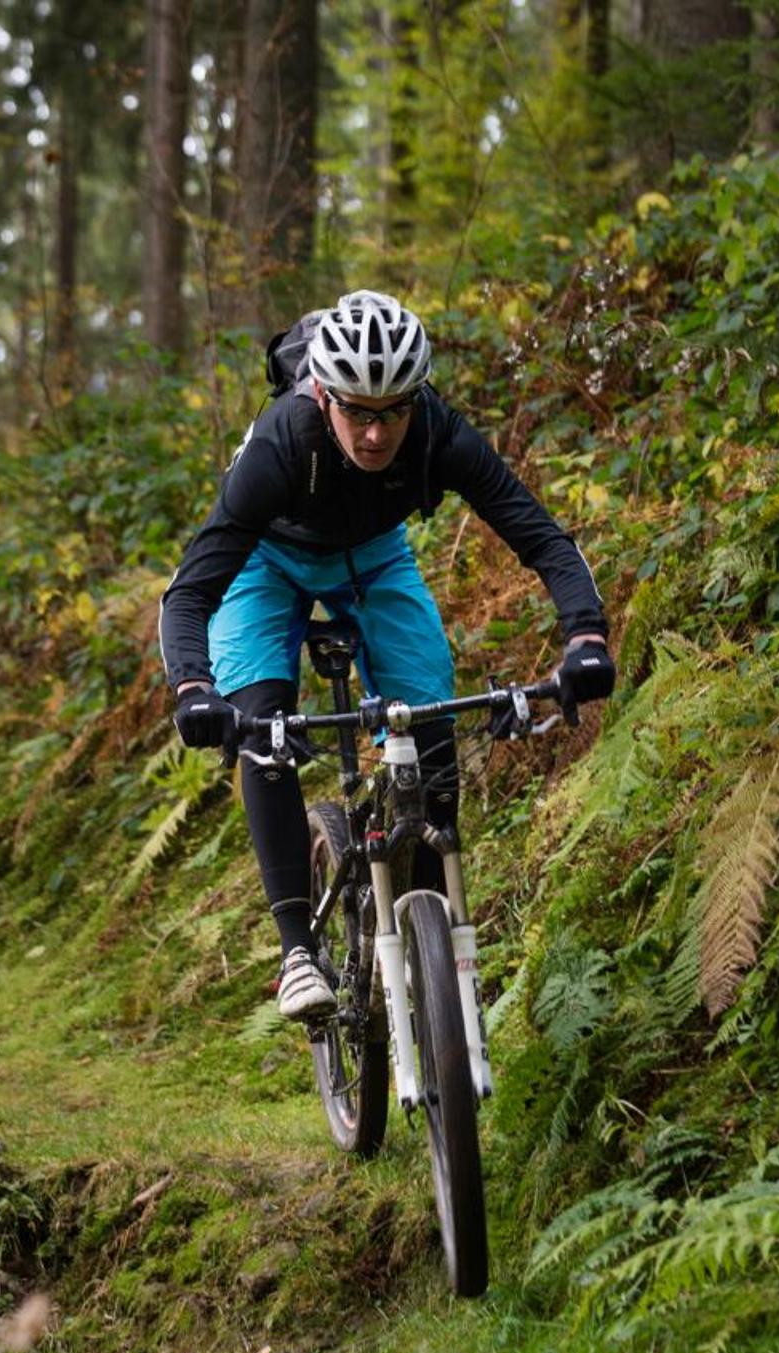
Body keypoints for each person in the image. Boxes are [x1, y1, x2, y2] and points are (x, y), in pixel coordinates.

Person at [158, 290, 617, 1021]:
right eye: (357, 413)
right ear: (322, 393)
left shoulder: (437, 432)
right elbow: (189, 592)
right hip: (265, 563)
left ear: (417, 398)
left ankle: (432, 949)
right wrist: (193, 689)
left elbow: (541, 537)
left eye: (394, 412)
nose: (376, 434)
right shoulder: (280, 446)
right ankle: (297, 952)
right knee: (261, 723)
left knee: (430, 722)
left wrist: (586, 639)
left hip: (373, 559)